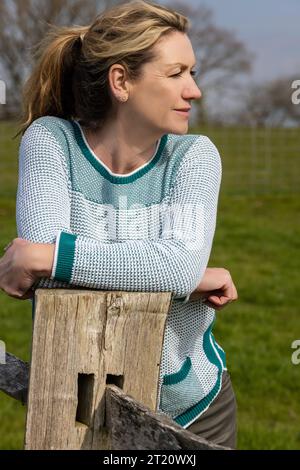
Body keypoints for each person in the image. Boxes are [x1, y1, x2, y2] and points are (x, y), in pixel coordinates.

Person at [0, 0, 238, 448]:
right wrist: (181, 278)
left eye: (194, 73)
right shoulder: (51, 142)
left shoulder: (195, 157)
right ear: (121, 81)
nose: (194, 91)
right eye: (177, 74)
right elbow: (50, 289)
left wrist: (49, 255)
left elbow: (176, 267)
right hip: (74, 402)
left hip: (191, 410)